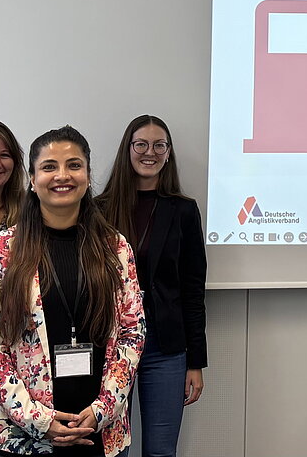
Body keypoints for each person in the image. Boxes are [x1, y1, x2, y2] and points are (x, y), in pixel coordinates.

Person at [0, 125, 144, 456]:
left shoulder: (116, 248)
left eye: (74, 165)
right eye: (49, 166)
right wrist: (38, 420)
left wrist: (103, 410)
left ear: (88, 176)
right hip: (21, 438)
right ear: (32, 179)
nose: (62, 175)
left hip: (99, 431)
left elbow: (132, 333)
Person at [97, 115, 207, 457]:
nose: (150, 152)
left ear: (169, 153)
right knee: (111, 450)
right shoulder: (99, 210)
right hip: (111, 344)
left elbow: (193, 291)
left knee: (161, 451)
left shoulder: (184, 211)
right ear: (128, 149)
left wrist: (195, 362)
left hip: (165, 347)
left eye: (159, 145)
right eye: (141, 144)